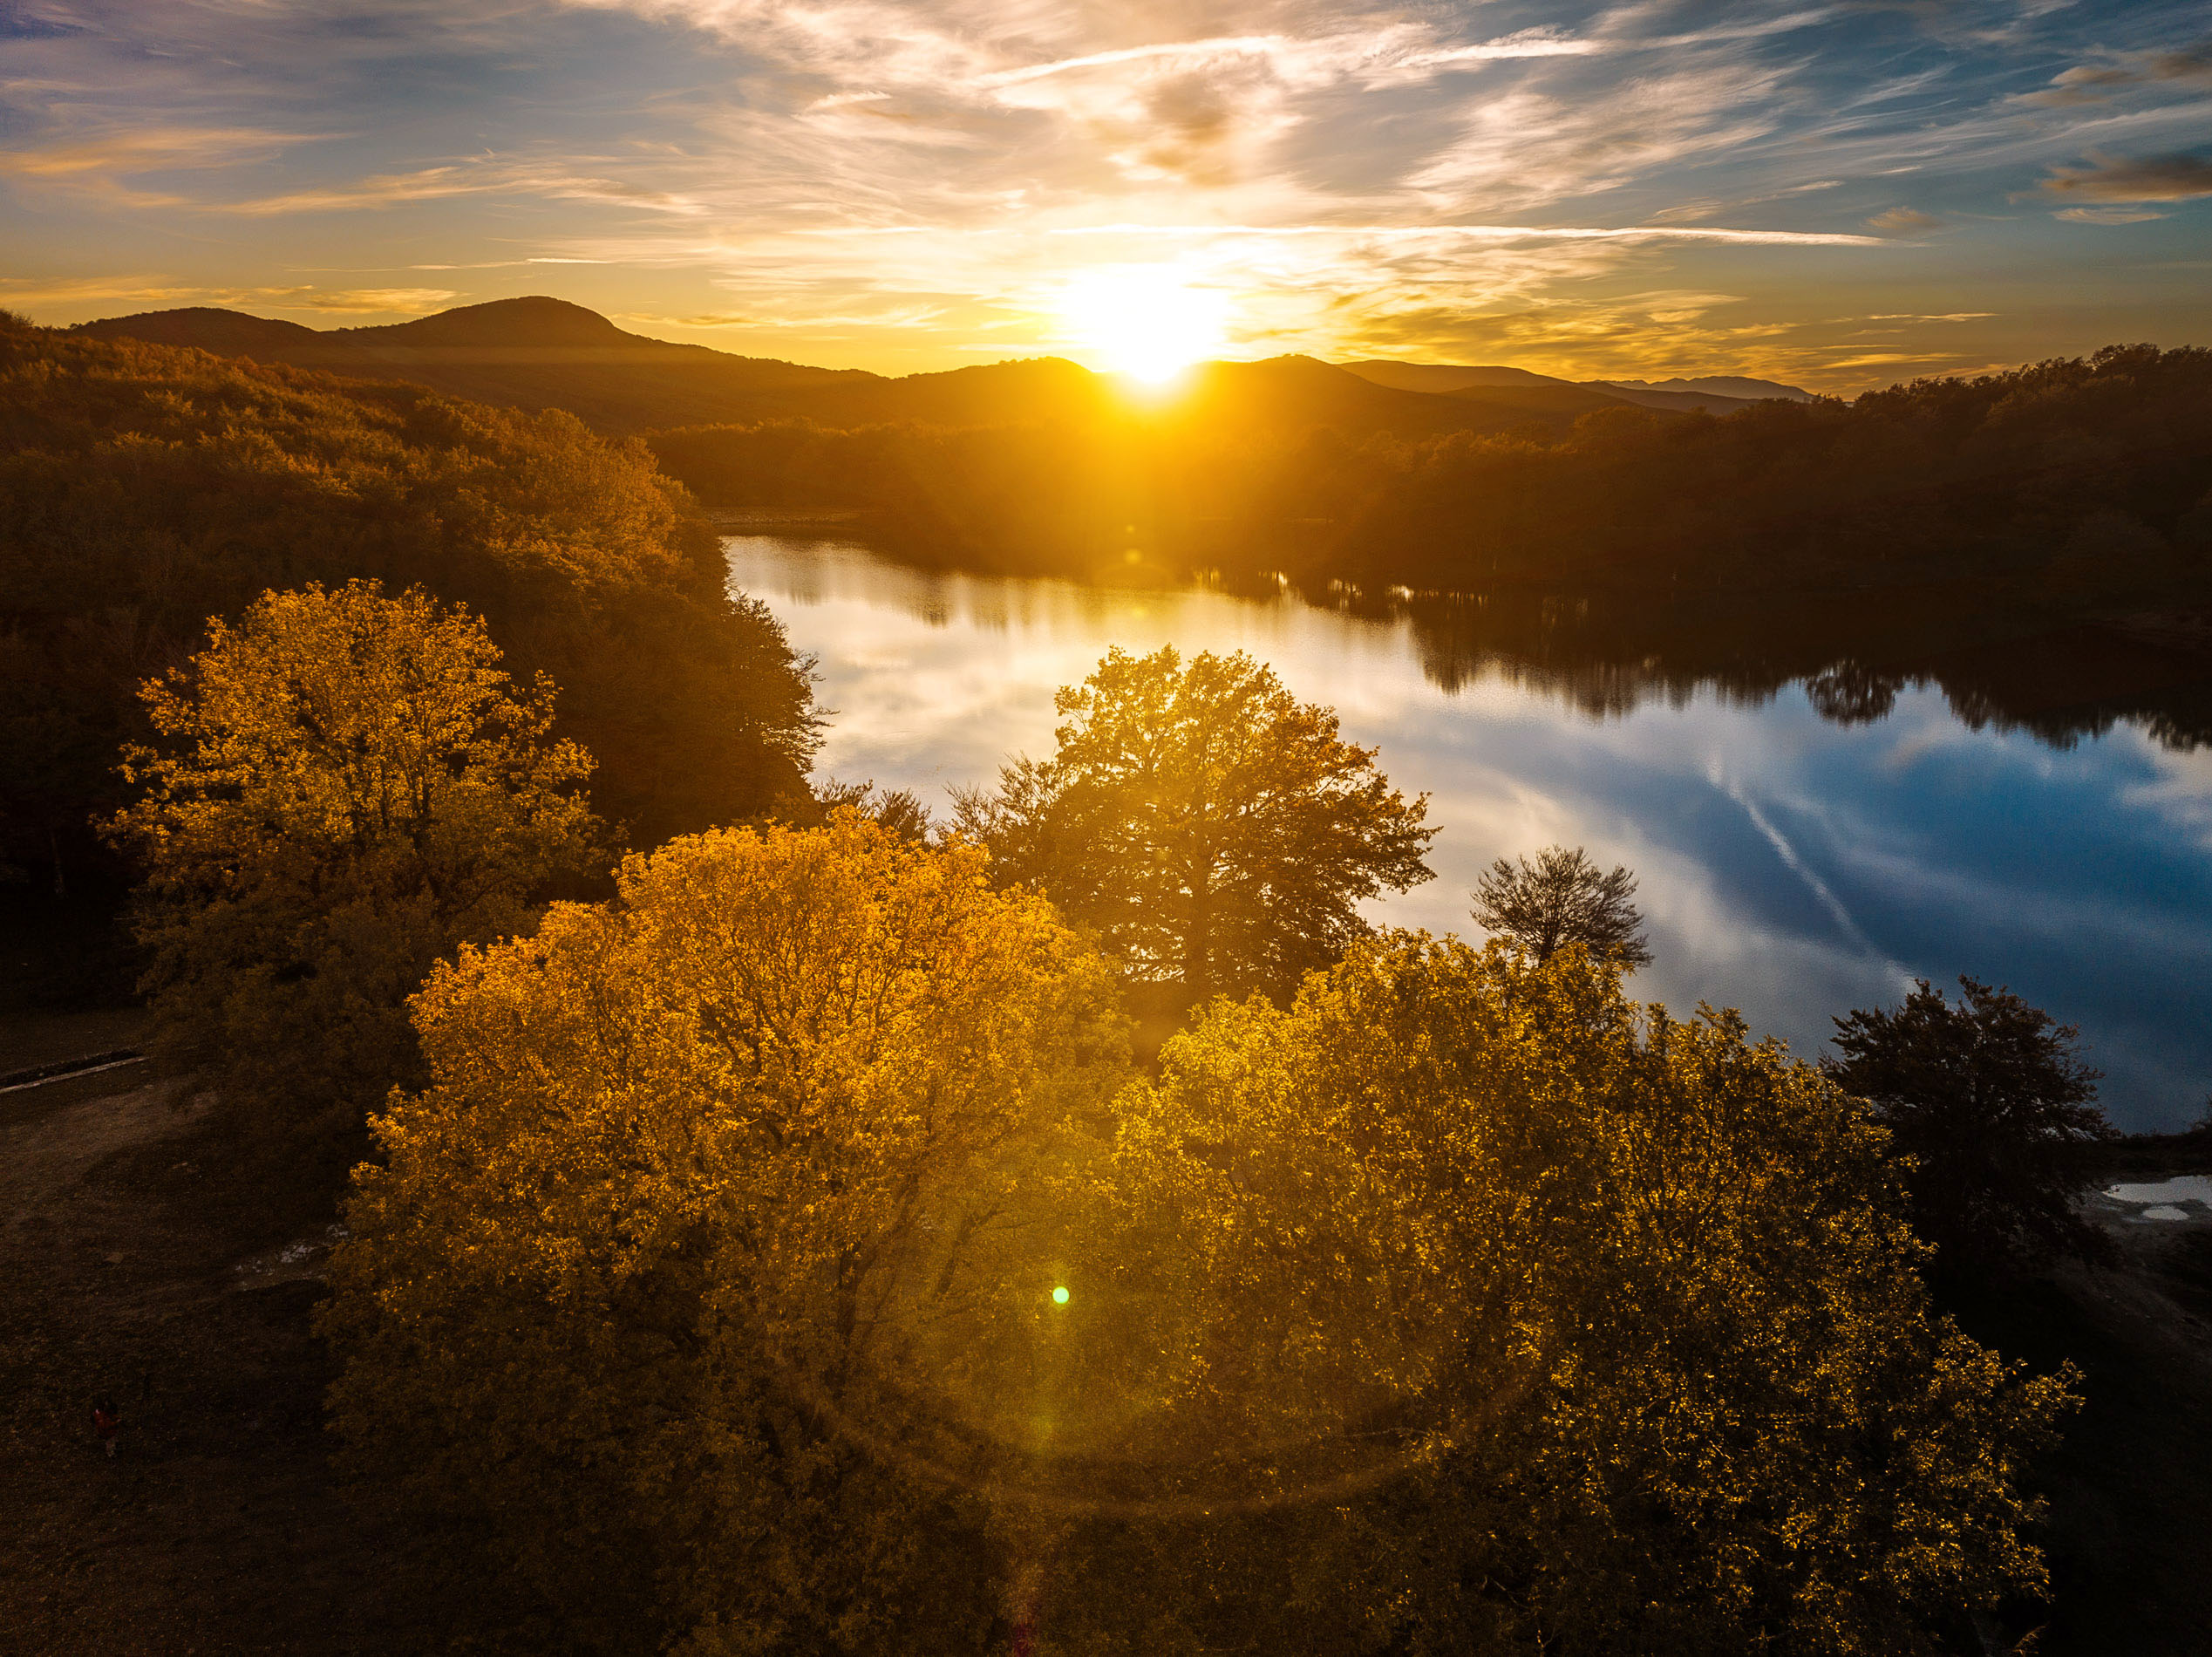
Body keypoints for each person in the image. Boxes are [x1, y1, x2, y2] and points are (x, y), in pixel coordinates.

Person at [91, 1394, 119, 1458]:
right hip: (107, 1432)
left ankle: (114, 1449)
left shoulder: (102, 1413)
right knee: (110, 1443)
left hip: (110, 1431)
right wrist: (115, 1423)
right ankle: (111, 1454)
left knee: (113, 1440)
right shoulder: (100, 1415)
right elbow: (105, 1425)